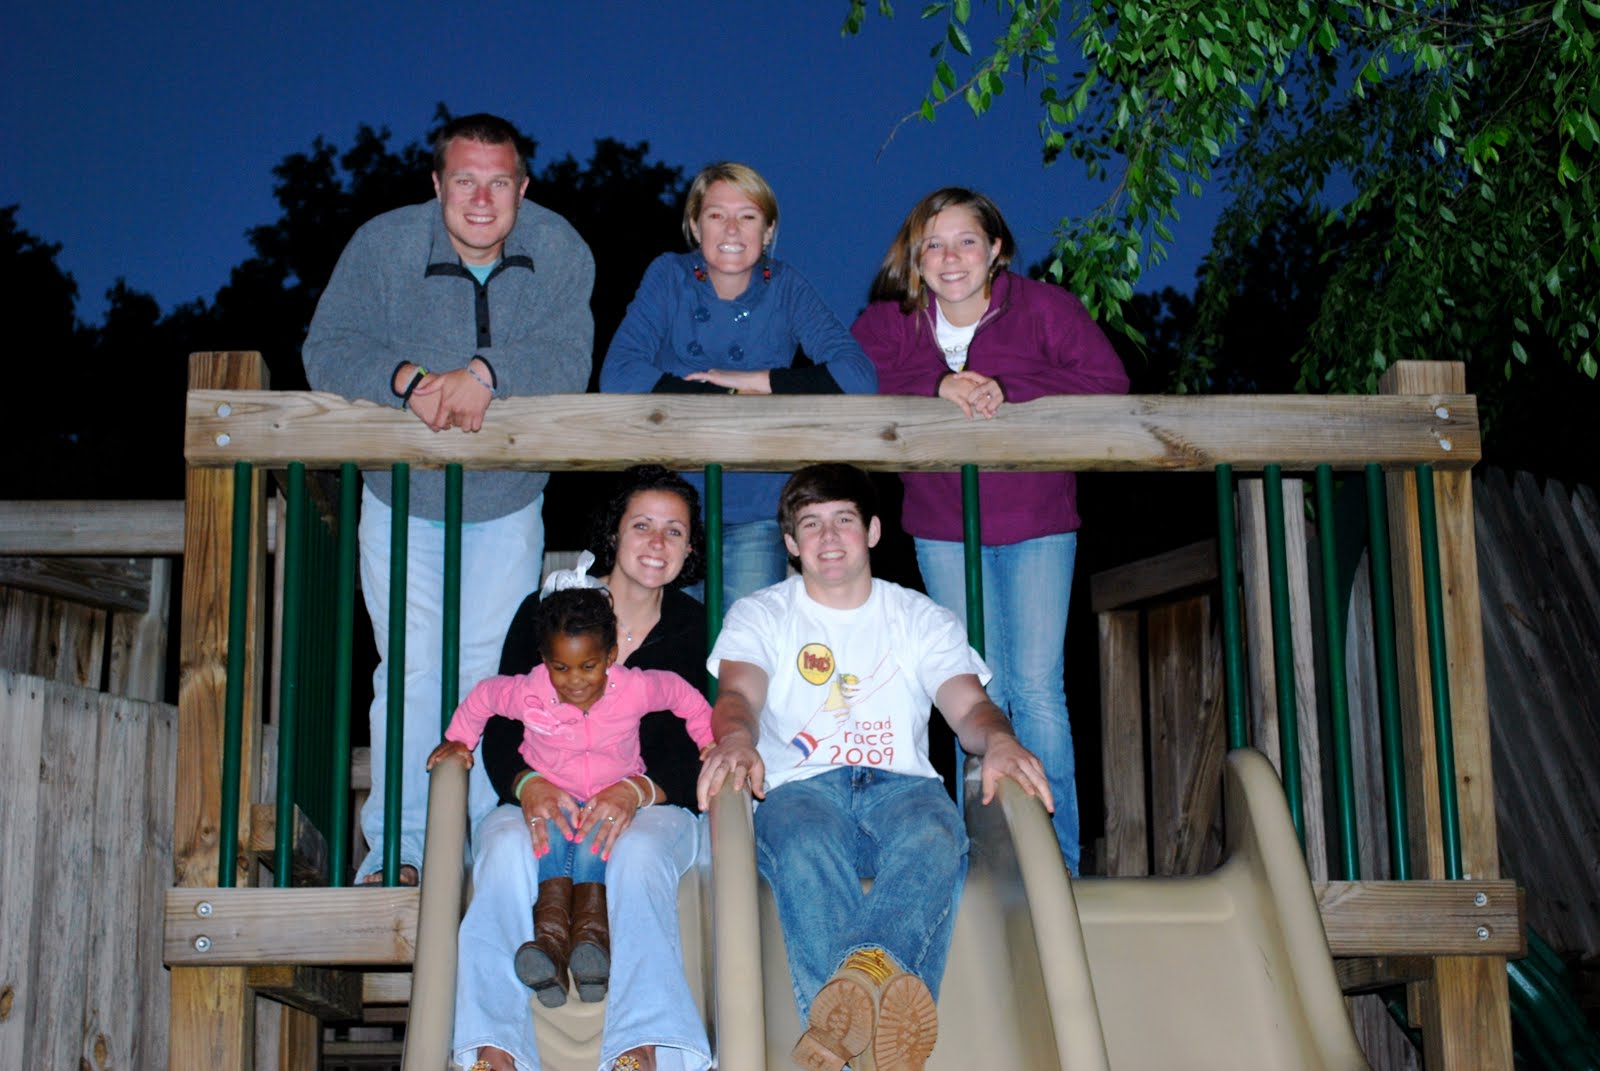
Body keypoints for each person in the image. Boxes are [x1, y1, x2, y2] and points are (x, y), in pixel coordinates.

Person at [301, 112, 595, 885]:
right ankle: (399, 852)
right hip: (401, 496)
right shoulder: (384, 244)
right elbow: (327, 346)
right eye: (464, 180)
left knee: (489, 673)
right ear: (437, 184)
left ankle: (481, 850)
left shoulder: (560, 248)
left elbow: (569, 356)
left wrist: (486, 373)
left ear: (522, 188)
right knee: (411, 672)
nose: (481, 199)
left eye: (498, 182)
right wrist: (407, 381)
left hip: (509, 500)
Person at [696, 464, 1054, 1071]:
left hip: (902, 789)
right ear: (790, 543)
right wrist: (734, 737)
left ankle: (855, 998)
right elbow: (738, 696)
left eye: (843, 520)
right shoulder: (761, 613)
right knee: (804, 842)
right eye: (811, 524)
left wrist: (998, 738)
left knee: (935, 833)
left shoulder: (918, 616)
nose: (828, 537)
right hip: (801, 788)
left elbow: (969, 706)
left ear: (873, 531)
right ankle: (875, 1026)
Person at [851, 187, 1129, 875]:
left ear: (996, 249)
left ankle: (1058, 865)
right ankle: (983, 862)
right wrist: (936, 385)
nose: (951, 258)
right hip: (944, 525)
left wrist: (1010, 388)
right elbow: (849, 377)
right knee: (971, 686)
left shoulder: (1044, 309)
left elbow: (1108, 382)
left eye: (966, 241)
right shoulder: (893, 323)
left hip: (1037, 519)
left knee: (1034, 687)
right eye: (934, 245)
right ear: (916, 259)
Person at [457, 467, 715, 1071]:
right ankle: (493, 1047)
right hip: (544, 790)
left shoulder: (695, 627)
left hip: (653, 803)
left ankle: (641, 1047)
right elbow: (502, 716)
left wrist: (638, 789)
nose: (657, 543)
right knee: (504, 849)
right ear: (614, 533)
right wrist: (527, 784)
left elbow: (696, 737)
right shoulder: (549, 612)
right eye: (642, 526)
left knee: (638, 853)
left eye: (675, 531)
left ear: (690, 548)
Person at [599, 161, 878, 609]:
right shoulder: (670, 276)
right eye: (716, 215)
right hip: (673, 505)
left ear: (768, 230)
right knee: (672, 636)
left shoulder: (784, 286)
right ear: (695, 225)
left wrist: (752, 380)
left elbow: (858, 376)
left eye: (747, 216)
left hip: (756, 503)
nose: (732, 229)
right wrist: (717, 396)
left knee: (743, 639)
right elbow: (618, 373)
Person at [428, 586, 713, 1011]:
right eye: (560, 667)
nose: (575, 680)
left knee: (597, 845)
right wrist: (458, 739)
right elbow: (484, 698)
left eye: (588, 666)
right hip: (555, 794)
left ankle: (590, 943)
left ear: (611, 656)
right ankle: (550, 943)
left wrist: (709, 740)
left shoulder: (633, 688)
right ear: (545, 660)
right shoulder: (530, 691)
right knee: (549, 840)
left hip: (608, 795)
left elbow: (682, 695)